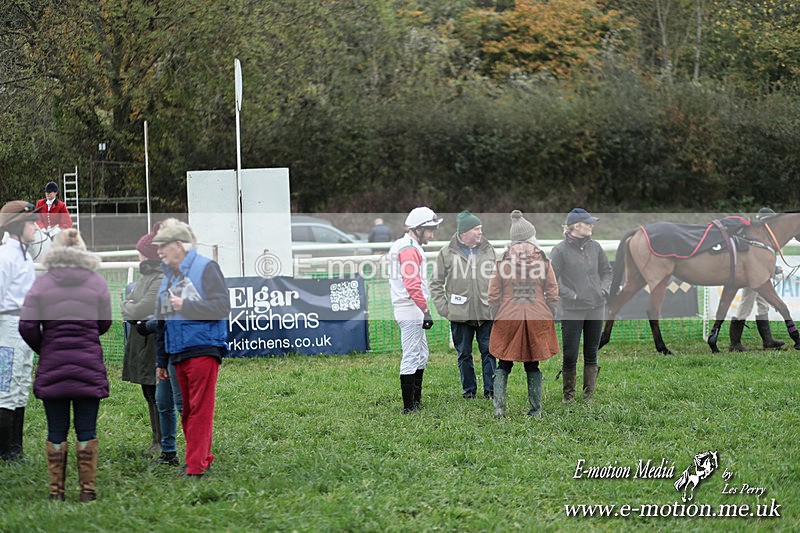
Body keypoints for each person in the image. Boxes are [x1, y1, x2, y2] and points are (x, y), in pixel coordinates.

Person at [18, 229, 111, 502]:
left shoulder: (41, 284)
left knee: (56, 429)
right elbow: (104, 323)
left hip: (53, 364)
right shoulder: (96, 282)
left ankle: (56, 492)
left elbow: (26, 325)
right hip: (88, 365)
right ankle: (87, 490)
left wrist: (45, 347)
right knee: (87, 429)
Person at [153, 218, 230, 477]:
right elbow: (162, 322)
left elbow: (221, 307)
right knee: (187, 410)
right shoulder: (166, 277)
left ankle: (195, 467)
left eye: (163, 246)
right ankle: (201, 457)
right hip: (176, 353)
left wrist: (184, 306)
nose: (159, 252)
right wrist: (161, 361)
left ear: (178, 245)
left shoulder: (207, 268)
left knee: (199, 410)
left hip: (203, 348)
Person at [488, 211, 559, 418]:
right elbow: (553, 291)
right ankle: (535, 411)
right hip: (538, 315)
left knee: (503, 363)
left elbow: (493, 294)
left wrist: (497, 315)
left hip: (508, 315)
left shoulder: (502, 260)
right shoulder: (543, 259)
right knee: (533, 364)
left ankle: (499, 410)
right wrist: (549, 312)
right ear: (531, 236)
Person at [430, 210, 497, 399]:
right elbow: (435, 283)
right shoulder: (446, 253)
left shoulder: (489, 249)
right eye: (476, 229)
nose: (480, 232)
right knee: (464, 355)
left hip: (486, 312)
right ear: (464, 232)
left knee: (489, 352)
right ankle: (469, 391)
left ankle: (491, 391)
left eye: (481, 228)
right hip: (459, 314)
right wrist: (445, 309)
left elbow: (499, 278)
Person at [550, 208, 612, 403]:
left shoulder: (596, 247)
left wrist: (603, 290)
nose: (592, 225)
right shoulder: (559, 250)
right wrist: (573, 295)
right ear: (576, 226)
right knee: (570, 354)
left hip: (597, 306)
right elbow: (552, 280)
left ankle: (588, 396)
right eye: (588, 223)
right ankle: (568, 396)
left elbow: (607, 272)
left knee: (591, 352)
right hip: (571, 309)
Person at [388, 207, 443, 413]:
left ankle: (416, 402)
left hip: (412, 306)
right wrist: (425, 310)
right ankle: (409, 407)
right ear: (418, 229)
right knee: (411, 355)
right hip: (410, 307)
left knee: (422, 353)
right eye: (429, 230)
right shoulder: (408, 247)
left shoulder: (407, 245)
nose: (432, 234)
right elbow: (412, 284)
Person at [0, 201, 41, 462]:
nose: (35, 227)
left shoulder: (24, 256)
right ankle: (5, 451)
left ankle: (16, 447)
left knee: (21, 384)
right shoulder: (5, 257)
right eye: (31, 222)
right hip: (8, 329)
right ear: (17, 225)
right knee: (6, 388)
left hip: (25, 328)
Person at [120, 223, 164, 456]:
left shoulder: (157, 278)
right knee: (149, 393)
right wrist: (130, 306)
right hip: (143, 343)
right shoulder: (148, 277)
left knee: (156, 393)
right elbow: (132, 306)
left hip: (152, 344)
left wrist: (128, 306)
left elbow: (138, 309)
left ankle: (161, 441)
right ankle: (157, 438)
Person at [729, 207, 785, 351]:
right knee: (745, 306)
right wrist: (774, 269)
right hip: (753, 279)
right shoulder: (757, 236)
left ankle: (768, 341)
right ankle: (735, 343)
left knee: (763, 305)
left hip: (760, 278)